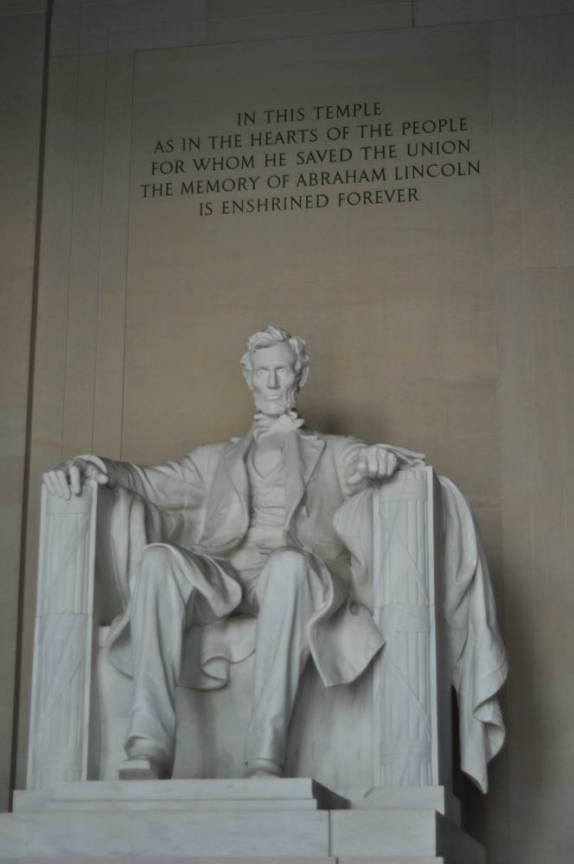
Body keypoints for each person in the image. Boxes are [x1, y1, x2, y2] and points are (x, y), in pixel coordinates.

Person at [43, 325, 424, 780]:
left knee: (287, 566)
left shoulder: (335, 453)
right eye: (262, 371)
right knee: (158, 560)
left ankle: (265, 754)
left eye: (282, 370)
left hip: (295, 576)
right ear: (249, 377)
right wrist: (94, 467)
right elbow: (148, 482)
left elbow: (371, 464)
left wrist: (381, 461)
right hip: (224, 576)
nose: (272, 382)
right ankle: (148, 744)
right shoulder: (213, 459)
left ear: (298, 376)